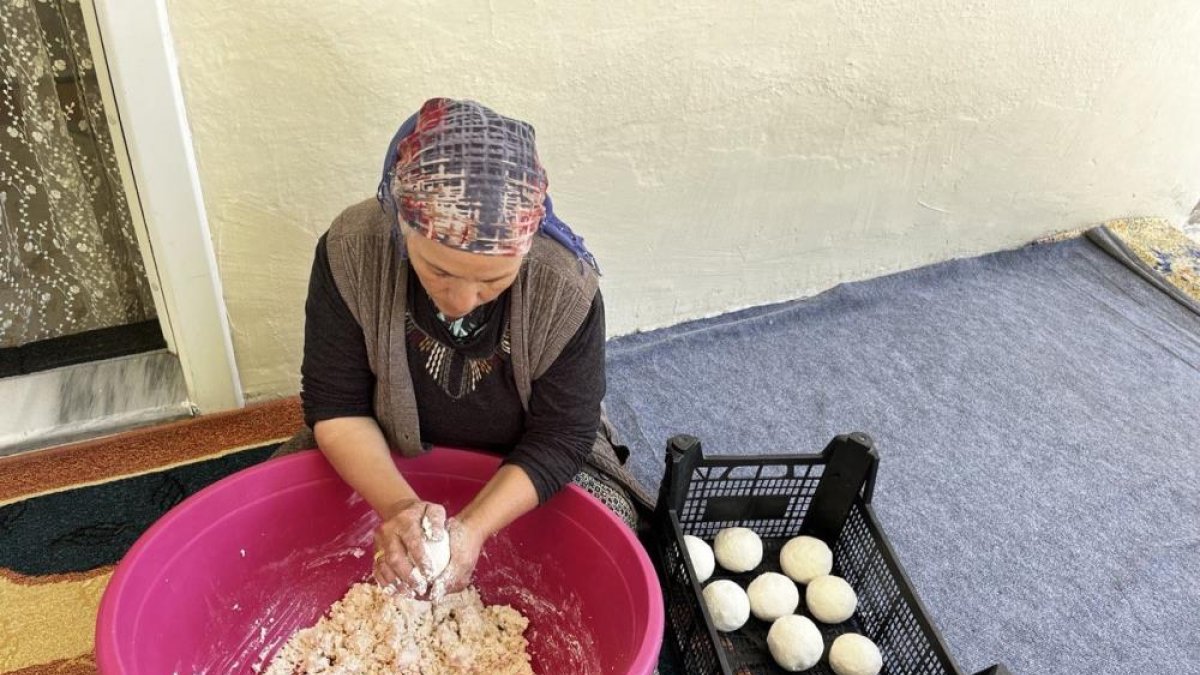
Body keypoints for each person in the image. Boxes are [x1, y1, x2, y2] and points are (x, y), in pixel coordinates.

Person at [275, 98, 653, 599]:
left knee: (608, 517)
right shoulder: (352, 250)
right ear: (400, 225)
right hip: (388, 437)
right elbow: (336, 405)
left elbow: (562, 436)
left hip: (519, 452)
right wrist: (399, 511)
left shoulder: (564, 286)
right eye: (439, 271)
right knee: (278, 492)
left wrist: (472, 528)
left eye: (493, 280)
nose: (460, 301)